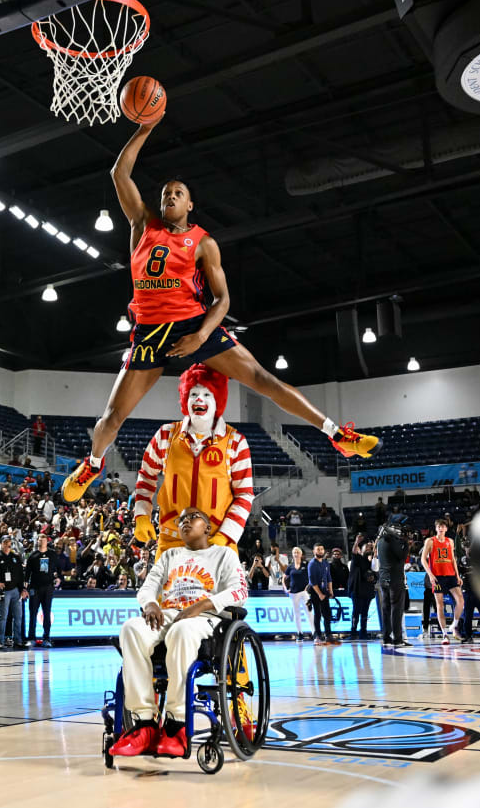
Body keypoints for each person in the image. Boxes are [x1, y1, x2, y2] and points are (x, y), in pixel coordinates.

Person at [60, 118, 382, 502]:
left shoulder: (204, 243)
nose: (170, 196)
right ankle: (93, 465)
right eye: (166, 193)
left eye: (178, 193)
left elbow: (223, 300)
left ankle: (338, 435)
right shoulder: (143, 224)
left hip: (194, 324)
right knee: (112, 417)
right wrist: (146, 127)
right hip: (148, 331)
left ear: (190, 204)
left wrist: (199, 335)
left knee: (264, 380)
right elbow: (118, 171)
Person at [109, 507, 247, 758]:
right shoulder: (170, 555)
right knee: (131, 628)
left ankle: (176, 725)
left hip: (205, 617)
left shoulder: (223, 554)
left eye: (192, 517)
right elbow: (148, 586)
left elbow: (240, 592)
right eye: (181, 519)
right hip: (170, 613)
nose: (185, 522)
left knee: (181, 630)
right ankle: (144, 724)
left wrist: (203, 604)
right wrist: (150, 603)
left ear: (207, 527)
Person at [132, 364, 253, 558]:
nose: (199, 399)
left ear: (218, 400)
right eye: (193, 393)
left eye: (207, 394)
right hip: (171, 542)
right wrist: (141, 516)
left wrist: (225, 536)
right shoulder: (165, 435)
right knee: (163, 589)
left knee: (223, 590)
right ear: (185, 398)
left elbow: (245, 495)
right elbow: (146, 478)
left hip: (217, 544)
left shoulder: (236, 442)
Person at [421, 519, 464, 645]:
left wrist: (458, 575)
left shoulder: (450, 541)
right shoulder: (430, 541)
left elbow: (453, 559)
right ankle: (445, 635)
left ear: (446, 529)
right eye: (439, 526)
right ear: (436, 528)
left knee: (461, 600)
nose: (441, 528)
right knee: (440, 605)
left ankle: (454, 625)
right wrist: (430, 575)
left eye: (443, 526)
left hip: (450, 574)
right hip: (437, 576)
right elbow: (423, 560)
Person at [0, 535, 28, 649]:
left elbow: (21, 575)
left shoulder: (16, 557)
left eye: (9, 543)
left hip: (15, 590)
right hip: (3, 591)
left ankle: (18, 640)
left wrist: (22, 589)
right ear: (1, 544)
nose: (7, 545)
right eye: (5, 543)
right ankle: (0, 640)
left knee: (18, 616)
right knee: (3, 616)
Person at [377, 521, 411, 647]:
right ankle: (397, 639)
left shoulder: (380, 541)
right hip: (395, 578)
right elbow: (402, 557)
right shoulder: (392, 540)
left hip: (383, 578)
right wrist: (406, 544)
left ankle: (386, 637)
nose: (399, 532)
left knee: (386, 609)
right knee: (397, 609)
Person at [24, 532, 61, 647]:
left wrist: (58, 578)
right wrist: (25, 588)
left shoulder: (52, 554)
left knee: (47, 613)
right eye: (40, 539)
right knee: (33, 613)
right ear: (37, 541)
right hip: (35, 588)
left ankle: (46, 638)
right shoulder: (32, 555)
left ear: (47, 541)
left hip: (48, 587)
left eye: (44, 539)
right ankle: (32, 638)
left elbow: (58, 569)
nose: (42, 541)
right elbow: (27, 573)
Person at [307, 543, 340, 646]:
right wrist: (320, 594)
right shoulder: (312, 564)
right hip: (315, 592)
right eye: (318, 549)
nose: (320, 551)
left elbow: (329, 577)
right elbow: (312, 581)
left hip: (324, 591)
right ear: (314, 551)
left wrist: (331, 591)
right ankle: (317, 635)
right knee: (317, 614)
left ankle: (328, 634)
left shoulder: (325, 563)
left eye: (321, 549)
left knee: (327, 614)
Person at [347, 534, 377, 639]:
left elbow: (376, 572)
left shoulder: (373, 561)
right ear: (361, 549)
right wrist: (356, 542)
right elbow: (354, 552)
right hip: (357, 590)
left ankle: (363, 632)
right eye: (367, 547)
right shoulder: (357, 558)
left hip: (368, 591)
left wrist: (375, 548)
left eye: (370, 548)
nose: (369, 548)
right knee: (356, 612)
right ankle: (353, 632)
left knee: (365, 613)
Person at [283, 546, 314, 641]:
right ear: (292, 554)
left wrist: (308, 586)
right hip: (293, 593)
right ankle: (299, 633)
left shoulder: (306, 565)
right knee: (297, 614)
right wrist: (285, 588)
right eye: (294, 552)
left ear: (301, 554)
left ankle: (314, 632)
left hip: (304, 593)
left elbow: (311, 577)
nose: (296, 554)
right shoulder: (290, 567)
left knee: (309, 612)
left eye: (298, 552)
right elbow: (284, 578)